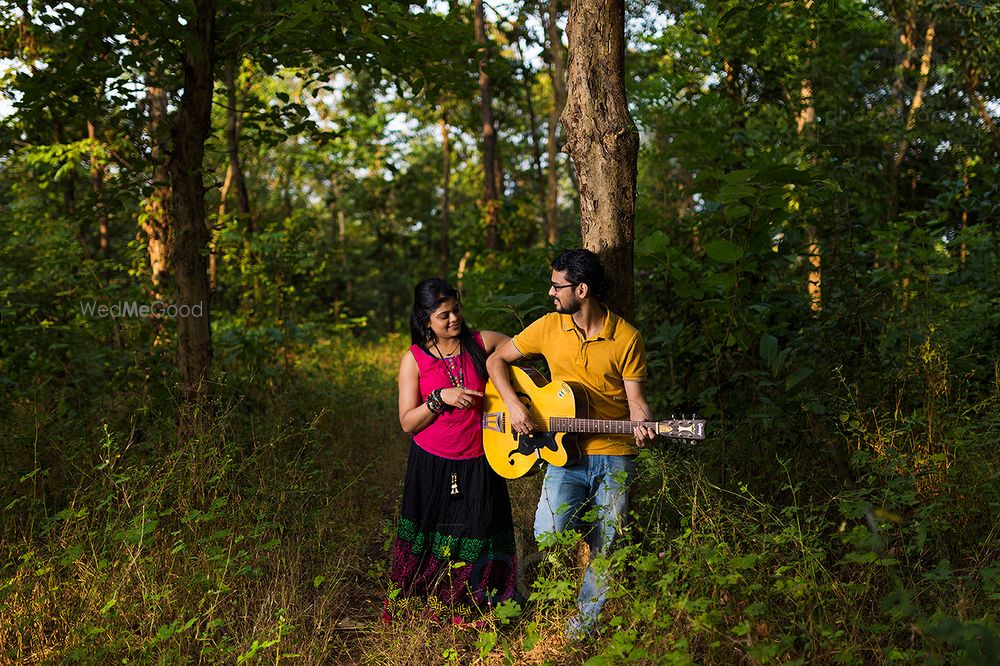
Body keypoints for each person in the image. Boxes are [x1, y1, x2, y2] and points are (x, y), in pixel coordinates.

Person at [486, 249, 656, 638]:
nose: (551, 292)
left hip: (613, 452)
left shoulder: (626, 337)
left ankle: (582, 628)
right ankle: (586, 543)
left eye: (556, 285)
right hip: (563, 452)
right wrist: (513, 404)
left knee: (608, 547)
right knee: (548, 531)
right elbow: (496, 360)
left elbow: (637, 403)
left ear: (581, 289)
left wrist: (643, 427)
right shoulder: (548, 327)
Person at [388, 278, 517, 615]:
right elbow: (407, 422)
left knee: (481, 527)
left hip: (482, 457)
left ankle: (476, 602)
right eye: (443, 315)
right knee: (434, 530)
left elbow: (523, 355)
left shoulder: (482, 343)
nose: (454, 319)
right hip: (432, 461)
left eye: (456, 310)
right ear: (424, 320)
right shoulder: (414, 360)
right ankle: (426, 598)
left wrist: (515, 396)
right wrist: (439, 398)